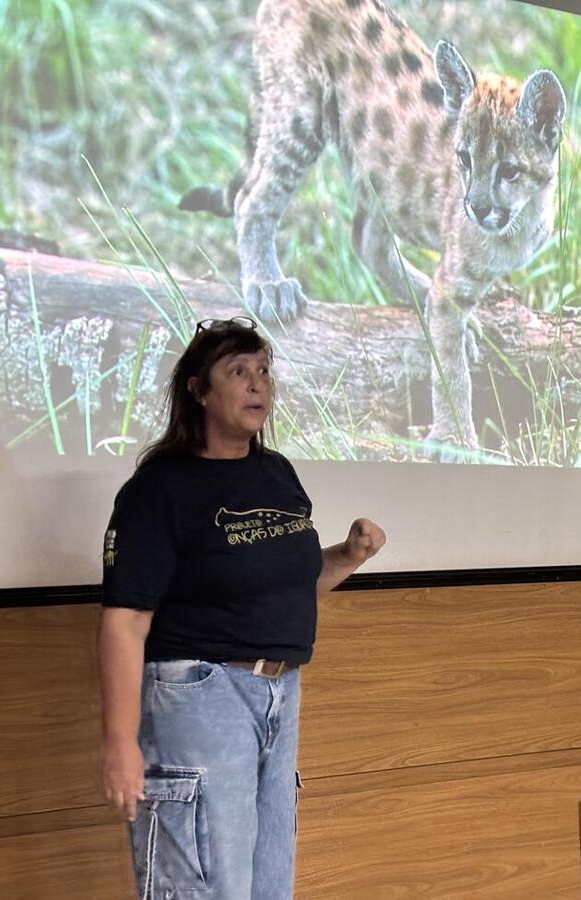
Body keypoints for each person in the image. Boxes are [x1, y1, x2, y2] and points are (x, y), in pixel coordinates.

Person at [97, 317, 385, 899]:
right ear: (199, 391)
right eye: (238, 372)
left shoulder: (276, 474)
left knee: (267, 887)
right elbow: (125, 622)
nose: (257, 385)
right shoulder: (161, 489)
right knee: (206, 887)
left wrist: (348, 557)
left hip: (279, 694)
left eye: (263, 371)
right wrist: (120, 741)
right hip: (199, 696)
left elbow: (285, 587)